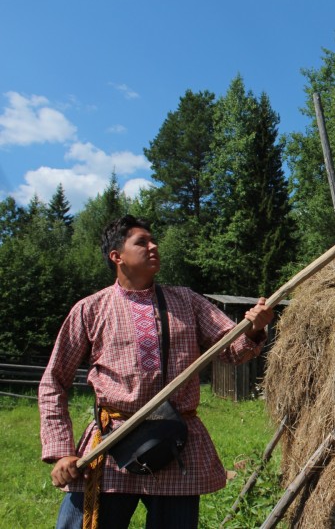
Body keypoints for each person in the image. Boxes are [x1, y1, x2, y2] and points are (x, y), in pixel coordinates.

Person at [39, 215, 274, 529]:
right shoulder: (91, 309)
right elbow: (53, 381)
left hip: (175, 445)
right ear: (116, 256)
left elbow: (233, 351)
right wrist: (60, 453)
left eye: (153, 240)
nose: (153, 246)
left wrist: (256, 328)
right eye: (142, 242)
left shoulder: (186, 301)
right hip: (112, 444)